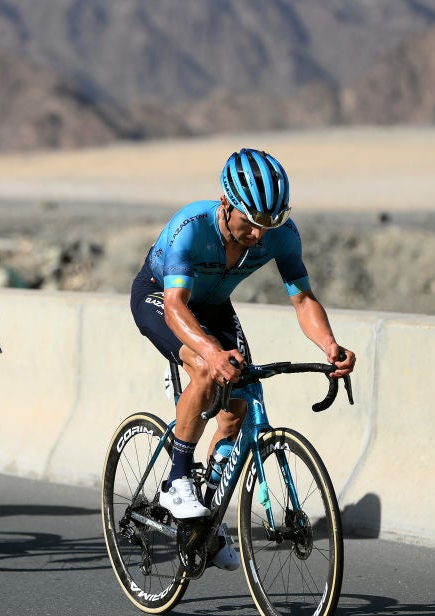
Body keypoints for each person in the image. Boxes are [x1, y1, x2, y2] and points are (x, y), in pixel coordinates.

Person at [130, 147, 356, 570]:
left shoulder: (281, 234)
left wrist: (328, 344)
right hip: (161, 298)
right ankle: (177, 479)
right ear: (225, 204)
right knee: (203, 366)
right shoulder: (192, 227)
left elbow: (303, 298)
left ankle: (207, 524)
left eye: (270, 225)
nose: (260, 236)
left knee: (239, 407)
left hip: (214, 307)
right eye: (250, 224)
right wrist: (211, 352)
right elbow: (177, 305)